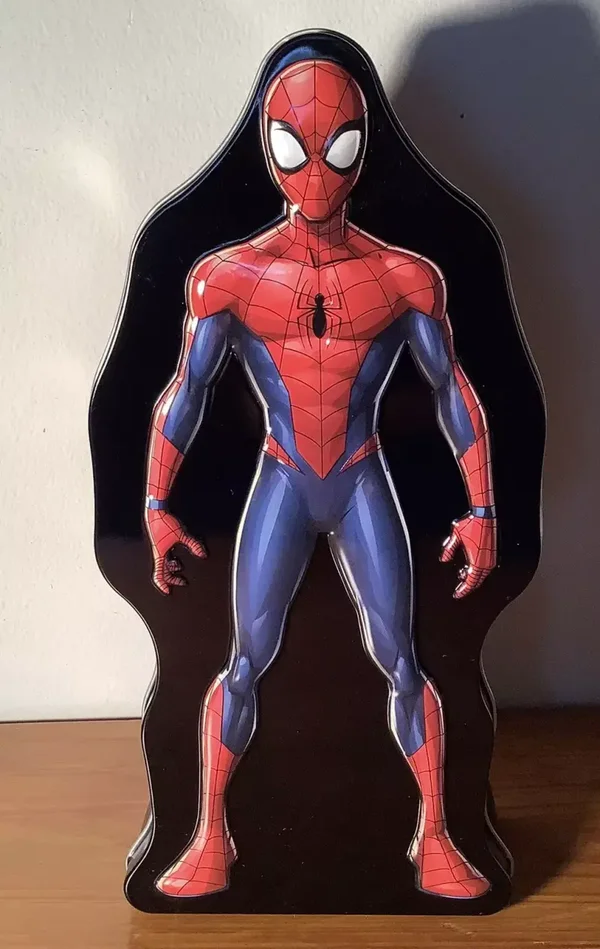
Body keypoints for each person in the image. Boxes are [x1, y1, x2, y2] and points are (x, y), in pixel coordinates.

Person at [144, 57, 497, 899]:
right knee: (244, 657)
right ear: (269, 151)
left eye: (335, 149)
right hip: (284, 474)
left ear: (361, 148)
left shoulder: (405, 276)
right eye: (293, 148)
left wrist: (484, 507)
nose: (314, 175)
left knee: (402, 658)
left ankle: (437, 837)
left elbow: (454, 391)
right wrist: (154, 501)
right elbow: (186, 393)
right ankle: (208, 836)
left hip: (360, 474)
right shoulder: (229, 276)